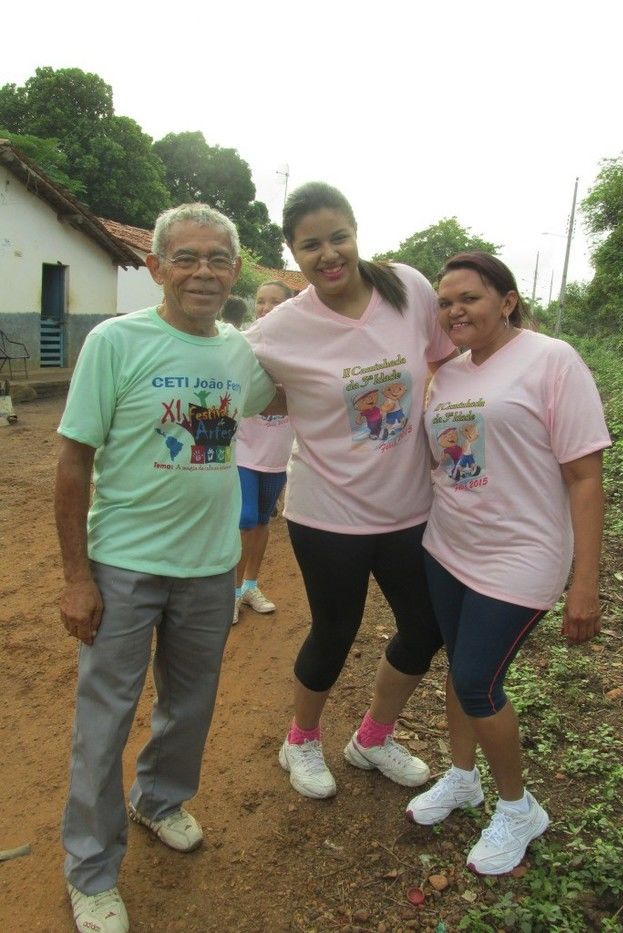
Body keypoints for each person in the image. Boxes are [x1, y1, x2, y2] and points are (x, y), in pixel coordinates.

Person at [55, 203, 277, 933]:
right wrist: (76, 575)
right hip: (122, 565)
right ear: (155, 267)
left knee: (190, 703)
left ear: (236, 270)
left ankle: (159, 799)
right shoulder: (116, 343)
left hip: (210, 570)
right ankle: (90, 869)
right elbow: (72, 460)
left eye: (218, 258)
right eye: (185, 257)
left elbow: (312, 368)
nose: (203, 271)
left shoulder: (241, 355)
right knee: (105, 717)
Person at [245, 182, 457, 800]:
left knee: (425, 627)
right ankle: (301, 740)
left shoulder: (408, 288)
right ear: (293, 254)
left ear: (357, 233)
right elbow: (230, 386)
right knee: (335, 630)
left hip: (410, 506)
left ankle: (371, 738)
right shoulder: (278, 329)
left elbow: (444, 365)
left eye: (338, 237)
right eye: (310, 245)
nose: (329, 254)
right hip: (328, 513)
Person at [405, 251, 611, 876]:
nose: (454, 310)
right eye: (445, 302)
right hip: (449, 546)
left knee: (477, 680)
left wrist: (585, 581)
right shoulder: (451, 374)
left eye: (469, 297)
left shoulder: (553, 360)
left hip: (522, 555)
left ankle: (520, 809)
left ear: (508, 300)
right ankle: (463, 777)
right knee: (457, 667)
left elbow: (583, 475)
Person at [234, 281, 295, 623]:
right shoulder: (244, 344)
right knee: (243, 519)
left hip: (276, 454)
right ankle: (229, 593)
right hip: (243, 449)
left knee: (260, 522)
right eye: (260, 301)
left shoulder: (302, 349)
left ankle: (249, 587)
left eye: (274, 302)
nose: (265, 308)